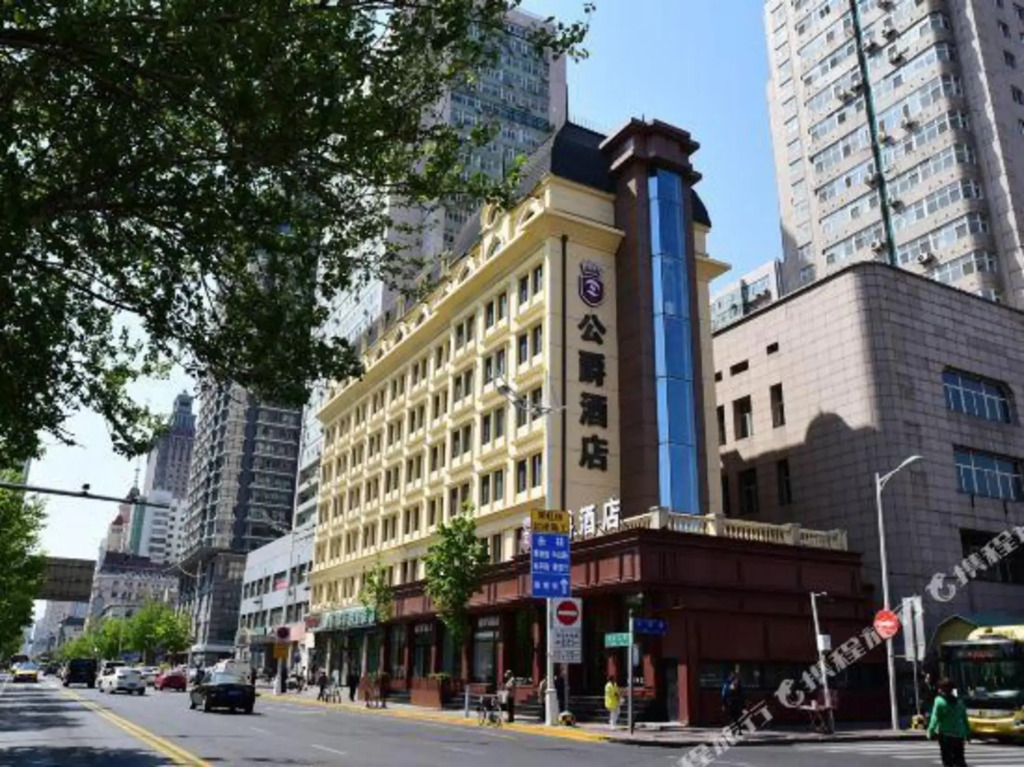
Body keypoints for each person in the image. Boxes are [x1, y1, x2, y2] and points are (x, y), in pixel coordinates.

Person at [927, 677, 969, 767]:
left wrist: (930, 732)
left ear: (941, 689)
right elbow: (964, 719)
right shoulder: (959, 702)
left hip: (945, 735)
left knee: (947, 761)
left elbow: (935, 718)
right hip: (959, 735)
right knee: (959, 759)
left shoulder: (939, 701)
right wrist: (968, 733)